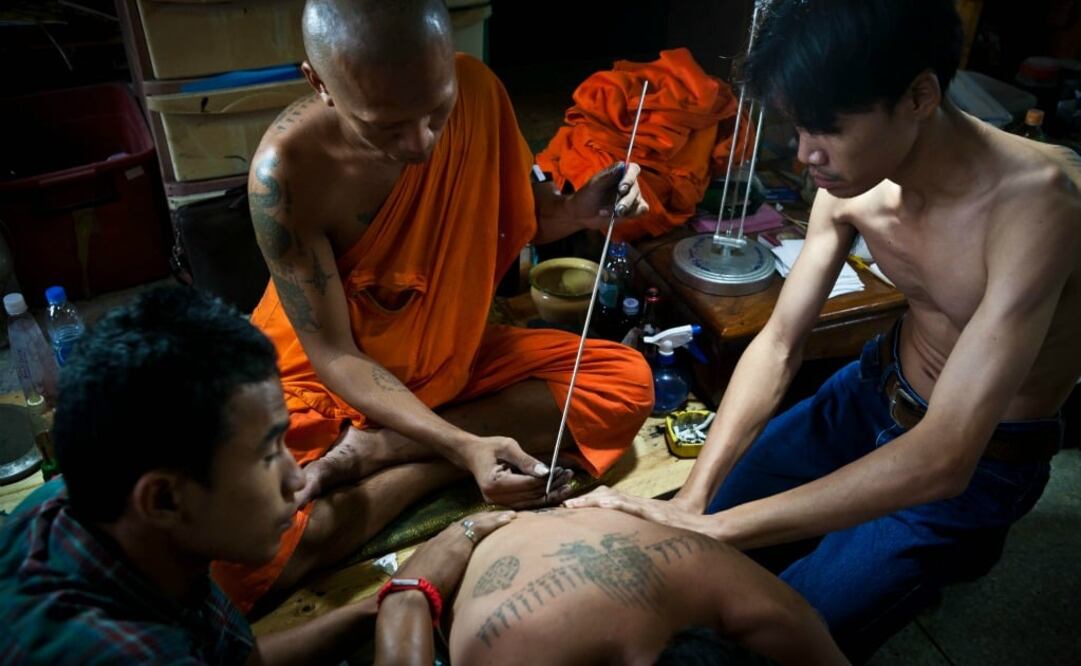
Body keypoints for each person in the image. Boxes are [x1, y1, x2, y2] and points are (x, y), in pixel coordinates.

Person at [566, 0, 1081, 660]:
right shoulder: (850, 180)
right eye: (799, 127)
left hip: (973, 463)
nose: (807, 154)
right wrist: (694, 502)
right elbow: (779, 344)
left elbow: (944, 456)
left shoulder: (1041, 208)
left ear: (920, 94)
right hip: (866, 393)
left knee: (768, 638)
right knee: (676, 554)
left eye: (829, 129)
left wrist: (719, 529)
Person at [219, 0, 655, 612]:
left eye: (435, 111)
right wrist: (461, 445)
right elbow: (336, 356)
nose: (422, 143)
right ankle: (450, 453)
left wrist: (585, 209)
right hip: (330, 383)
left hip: (452, 359)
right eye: (387, 126)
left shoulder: (477, 90)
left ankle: (392, 453)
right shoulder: (286, 173)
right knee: (237, 557)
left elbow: (524, 216)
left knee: (625, 383)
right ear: (320, 83)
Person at [0, 287, 514, 665]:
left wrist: (371, 611)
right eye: (269, 455)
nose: (298, 477)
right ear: (163, 498)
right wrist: (408, 599)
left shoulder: (81, 504)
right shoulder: (122, 654)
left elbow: (240, 662)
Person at [447, 507, 847, 665]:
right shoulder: (518, 646)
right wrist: (412, 592)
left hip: (492, 539)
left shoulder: (771, 613)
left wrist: (411, 593)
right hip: (485, 536)